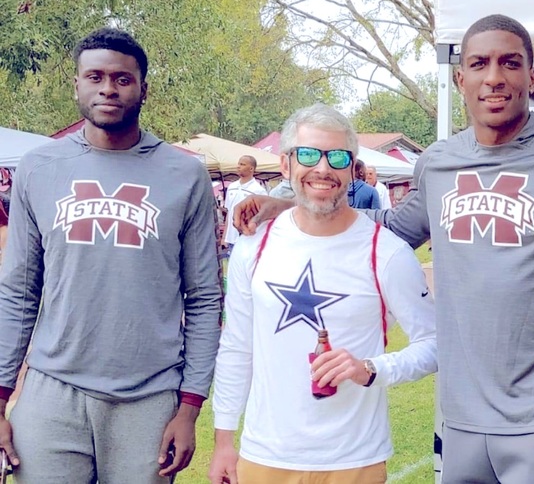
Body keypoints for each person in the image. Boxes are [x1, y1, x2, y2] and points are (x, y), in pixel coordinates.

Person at [233, 15, 534, 483]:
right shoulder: (439, 163)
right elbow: (391, 227)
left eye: (510, 63)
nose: (494, 77)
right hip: (461, 417)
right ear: (460, 79)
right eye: (480, 63)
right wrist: (291, 204)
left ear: (533, 77)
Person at [0, 28, 223, 483]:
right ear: (77, 85)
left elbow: (204, 297)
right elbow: (18, 292)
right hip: (52, 390)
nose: (108, 89)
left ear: (143, 89)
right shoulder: (39, 168)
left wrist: (190, 406)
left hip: (149, 396)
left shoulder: (185, 174)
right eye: (95, 77)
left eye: (122, 79)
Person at [209, 103, 437, 484]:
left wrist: (370, 369)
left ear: (352, 169)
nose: (323, 168)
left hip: (354, 459)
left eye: (337, 157)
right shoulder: (254, 245)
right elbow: (236, 347)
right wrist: (223, 440)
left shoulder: (386, 252)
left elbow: (433, 343)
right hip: (266, 455)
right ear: (286, 165)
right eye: (309, 155)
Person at [221, 156, 267, 250]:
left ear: (251, 169)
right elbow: (229, 213)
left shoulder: (258, 191)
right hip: (231, 239)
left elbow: (263, 217)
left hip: (249, 239)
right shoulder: (231, 187)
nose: (238, 166)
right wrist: (224, 237)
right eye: (238, 164)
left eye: (242, 164)